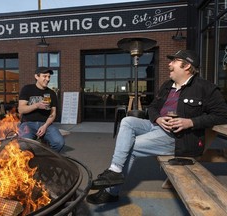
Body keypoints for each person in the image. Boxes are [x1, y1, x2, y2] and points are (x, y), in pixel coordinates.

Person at [86, 50, 227, 204]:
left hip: (177, 138)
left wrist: (191, 122)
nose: (169, 64)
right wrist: (158, 118)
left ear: (186, 66)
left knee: (131, 146)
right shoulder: (167, 85)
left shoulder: (206, 88)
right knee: (127, 121)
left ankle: (111, 192)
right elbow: (152, 107)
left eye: (174, 61)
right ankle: (115, 170)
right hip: (156, 126)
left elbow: (222, 115)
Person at [18, 67, 64, 152]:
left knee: (59, 142)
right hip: (28, 123)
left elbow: (53, 113)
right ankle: (30, 162)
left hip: (45, 124)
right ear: (36, 76)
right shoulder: (27, 89)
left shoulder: (51, 93)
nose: (48, 79)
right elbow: (21, 109)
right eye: (45, 76)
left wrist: (45, 126)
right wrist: (37, 105)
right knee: (24, 145)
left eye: (49, 77)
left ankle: (47, 159)